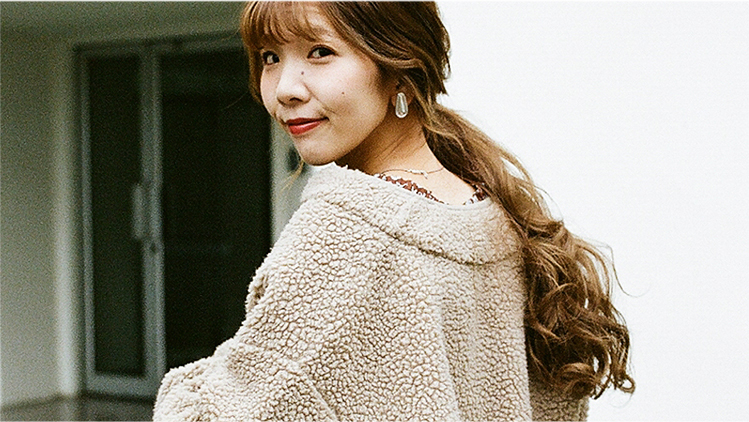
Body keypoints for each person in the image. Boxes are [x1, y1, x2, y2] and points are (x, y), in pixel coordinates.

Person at [153, 2, 634, 420]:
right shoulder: (493, 216)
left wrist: (199, 386)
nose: (283, 88)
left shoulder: (346, 229)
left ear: (399, 65)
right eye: (270, 57)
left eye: (319, 52)